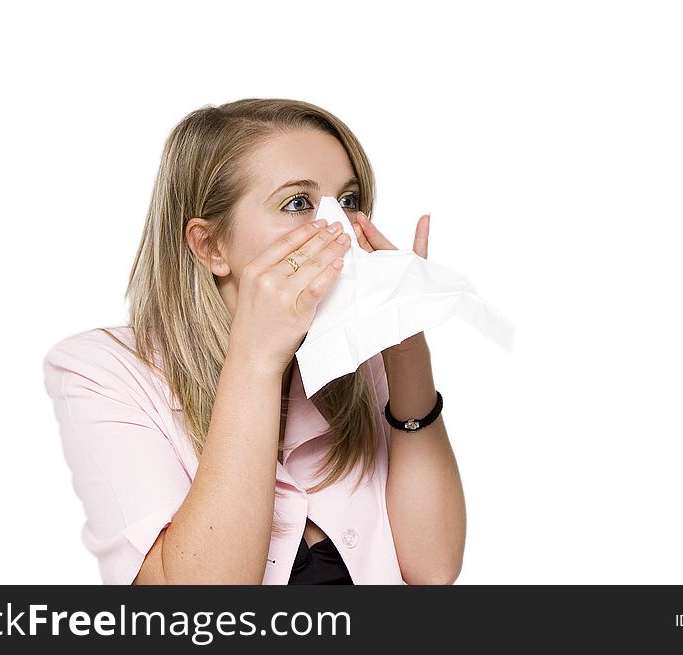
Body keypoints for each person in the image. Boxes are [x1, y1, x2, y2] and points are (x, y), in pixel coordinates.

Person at [42, 98, 465, 585]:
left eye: (348, 202)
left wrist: (406, 348)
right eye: (297, 204)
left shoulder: (358, 358)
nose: (341, 229)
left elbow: (433, 570)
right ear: (211, 246)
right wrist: (257, 360)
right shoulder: (100, 372)